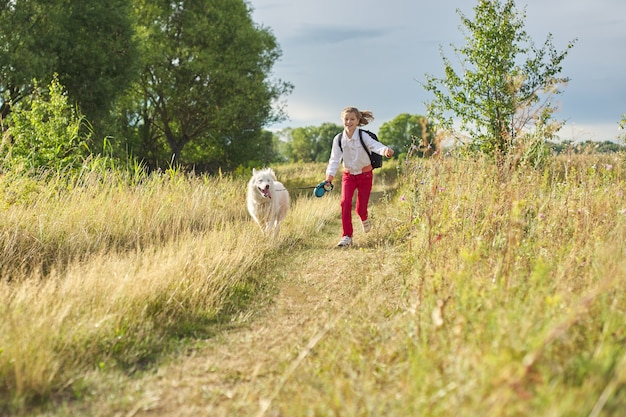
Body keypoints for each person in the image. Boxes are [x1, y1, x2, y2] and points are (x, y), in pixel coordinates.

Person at [325, 106, 394, 247]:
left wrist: (385, 150)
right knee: (345, 203)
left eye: (352, 119)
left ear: (357, 121)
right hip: (348, 176)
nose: (349, 122)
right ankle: (347, 236)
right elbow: (334, 159)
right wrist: (329, 177)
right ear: (342, 120)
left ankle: (364, 217)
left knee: (360, 208)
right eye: (346, 119)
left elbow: (375, 146)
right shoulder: (338, 139)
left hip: (365, 176)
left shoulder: (363, 136)